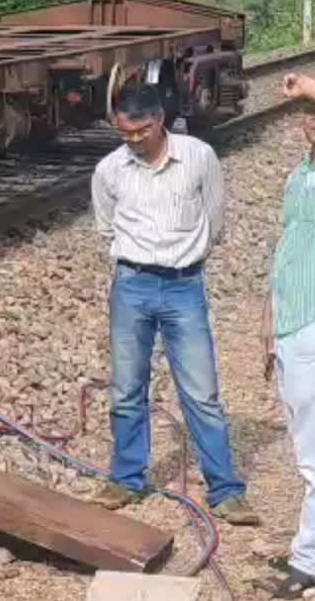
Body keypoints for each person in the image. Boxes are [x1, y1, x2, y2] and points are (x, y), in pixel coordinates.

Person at [88, 83, 259, 526]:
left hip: (185, 287)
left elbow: (215, 216)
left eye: (140, 131)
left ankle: (224, 490)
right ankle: (127, 478)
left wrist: (189, 257)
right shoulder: (109, 170)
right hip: (132, 285)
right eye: (124, 133)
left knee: (202, 394)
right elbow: (106, 226)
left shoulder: (198, 157)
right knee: (127, 389)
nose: (132, 140)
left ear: (159, 120)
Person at [255, 73, 315, 598]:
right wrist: (268, 325)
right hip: (294, 319)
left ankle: (309, 561)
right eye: (312, 115)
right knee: (307, 442)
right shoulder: (301, 174)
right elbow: (289, 248)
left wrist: (312, 86)